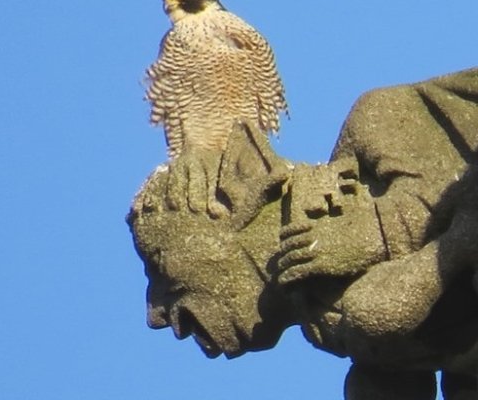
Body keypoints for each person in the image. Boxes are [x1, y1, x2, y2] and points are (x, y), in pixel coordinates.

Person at [128, 68, 478, 399]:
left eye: (160, 264)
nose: (156, 315)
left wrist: (370, 236)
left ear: (238, 200)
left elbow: (453, 185)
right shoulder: (332, 325)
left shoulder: (375, 121)